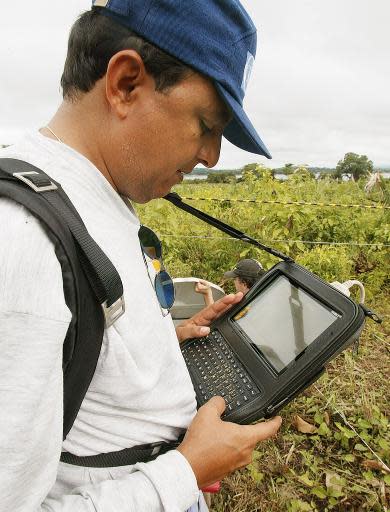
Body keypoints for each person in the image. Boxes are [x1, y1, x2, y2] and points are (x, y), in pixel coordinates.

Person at [0, 2, 282, 511]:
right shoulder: (23, 242)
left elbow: (72, 350)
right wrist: (185, 473)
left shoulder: (94, 195)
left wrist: (158, 342)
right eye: (206, 124)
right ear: (126, 82)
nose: (212, 157)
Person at [195, 259, 265, 305]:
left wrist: (207, 293)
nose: (234, 282)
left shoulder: (244, 306)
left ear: (244, 283)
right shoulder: (263, 297)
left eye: (235, 278)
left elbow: (215, 321)